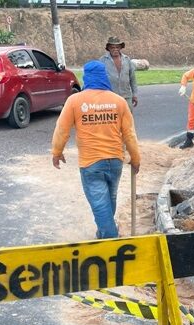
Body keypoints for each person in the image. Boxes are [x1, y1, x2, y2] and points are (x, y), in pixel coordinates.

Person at [51, 60, 140, 239]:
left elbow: (62, 129)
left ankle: (111, 239)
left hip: (91, 163)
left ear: (87, 77)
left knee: (100, 204)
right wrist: (135, 158)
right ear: (104, 77)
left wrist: (57, 152)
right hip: (115, 161)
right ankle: (103, 233)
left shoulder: (75, 101)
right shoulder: (118, 101)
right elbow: (129, 134)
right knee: (108, 201)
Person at [99, 36, 138, 113]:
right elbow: (98, 79)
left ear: (120, 48)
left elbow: (132, 78)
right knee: (112, 122)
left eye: (117, 47)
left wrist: (134, 94)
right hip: (109, 98)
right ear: (108, 48)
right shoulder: (102, 60)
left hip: (126, 97)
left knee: (128, 121)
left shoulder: (127, 60)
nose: (115, 49)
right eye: (112, 47)